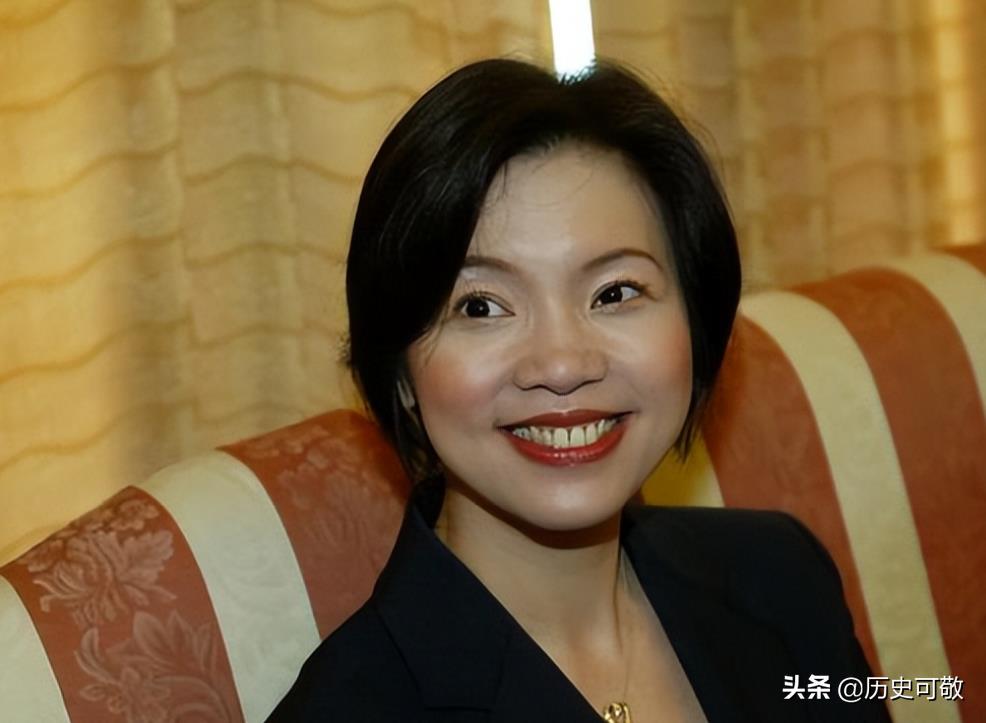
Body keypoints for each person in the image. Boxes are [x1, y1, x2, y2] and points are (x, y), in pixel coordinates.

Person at [268, 58, 890, 722]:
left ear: (696, 319)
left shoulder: (781, 577)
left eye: (615, 292)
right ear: (400, 371)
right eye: (480, 306)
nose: (563, 365)